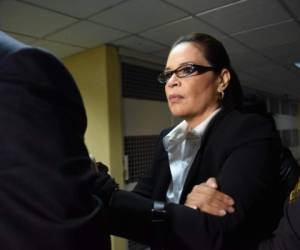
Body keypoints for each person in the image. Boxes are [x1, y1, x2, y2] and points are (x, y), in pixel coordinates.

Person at [116, 33, 285, 250]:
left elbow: (219, 229)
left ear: (222, 80)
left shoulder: (250, 130)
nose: (171, 82)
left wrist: (154, 212)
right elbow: (138, 203)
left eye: (186, 70)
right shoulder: (167, 138)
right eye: (167, 75)